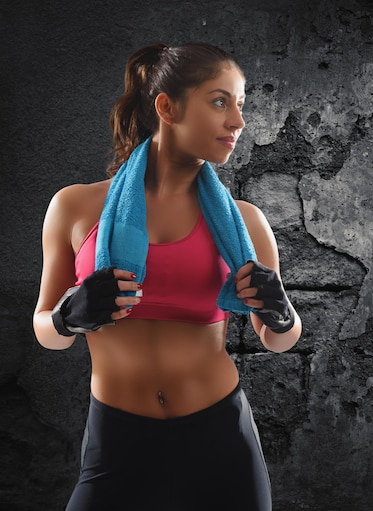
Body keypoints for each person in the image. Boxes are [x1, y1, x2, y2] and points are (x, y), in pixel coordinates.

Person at [32, 42, 301, 511]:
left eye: (241, 105)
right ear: (167, 107)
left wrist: (280, 314)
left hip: (221, 435)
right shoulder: (76, 208)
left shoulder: (247, 222)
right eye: (220, 101)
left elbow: (279, 339)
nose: (237, 121)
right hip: (118, 438)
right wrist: (65, 319)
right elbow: (45, 333)